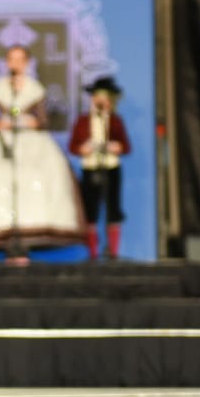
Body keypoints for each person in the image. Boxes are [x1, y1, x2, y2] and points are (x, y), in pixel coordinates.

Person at [0, 45, 86, 259]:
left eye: (20, 59)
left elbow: (43, 120)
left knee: (33, 181)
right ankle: (5, 237)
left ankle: (27, 238)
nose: (16, 63)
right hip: (2, 143)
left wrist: (31, 122)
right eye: (12, 59)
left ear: (27, 63)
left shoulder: (34, 89)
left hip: (30, 142)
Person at [69, 75, 133, 260]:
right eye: (97, 96)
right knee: (91, 211)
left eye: (104, 96)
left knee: (113, 209)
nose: (100, 100)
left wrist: (116, 146)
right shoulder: (83, 121)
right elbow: (73, 147)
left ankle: (113, 252)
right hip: (90, 169)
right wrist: (83, 149)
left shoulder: (114, 121)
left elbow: (126, 147)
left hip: (110, 168)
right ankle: (93, 253)